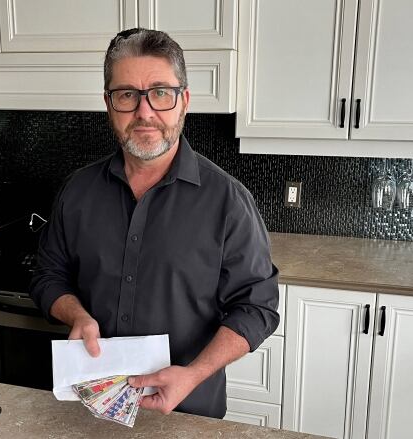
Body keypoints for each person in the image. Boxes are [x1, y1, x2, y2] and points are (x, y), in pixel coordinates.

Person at [30, 28, 279, 419]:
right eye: (127, 94)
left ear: (184, 102)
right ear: (109, 105)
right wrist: (74, 314)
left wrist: (195, 373)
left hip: (187, 410)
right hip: (90, 405)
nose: (145, 112)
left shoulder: (228, 201)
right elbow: (49, 275)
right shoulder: (77, 191)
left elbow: (257, 307)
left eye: (161, 93)